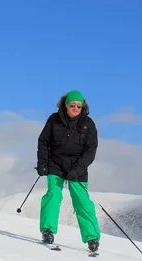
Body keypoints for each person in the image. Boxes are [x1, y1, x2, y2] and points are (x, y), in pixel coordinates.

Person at [36, 90, 101, 252]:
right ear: (65, 106)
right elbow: (43, 141)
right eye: (72, 105)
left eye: (79, 106)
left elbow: (90, 151)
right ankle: (48, 230)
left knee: (82, 201)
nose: (75, 108)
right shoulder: (54, 119)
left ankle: (92, 237)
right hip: (55, 164)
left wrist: (77, 169)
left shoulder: (88, 124)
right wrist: (43, 163)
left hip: (77, 167)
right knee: (53, 195)